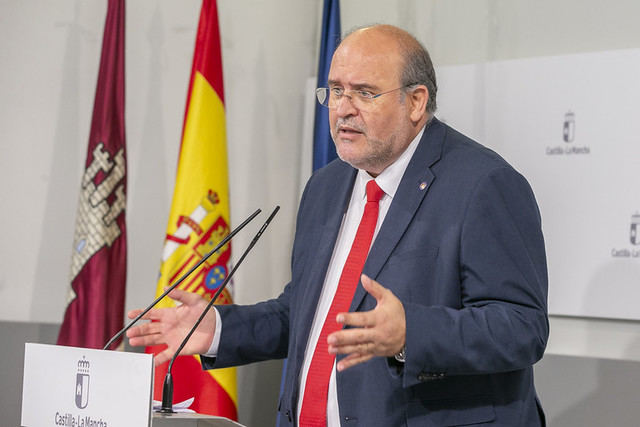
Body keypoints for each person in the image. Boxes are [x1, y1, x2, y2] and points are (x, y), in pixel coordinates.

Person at [128, 24, 548, 426]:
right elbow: (307, 312)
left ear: (416, 102)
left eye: (364, 93)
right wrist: (220, 328)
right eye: (335, 91)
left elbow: (521, 327)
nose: (343, 109)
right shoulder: (327, 186)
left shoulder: (483, 184)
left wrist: (411, 333)